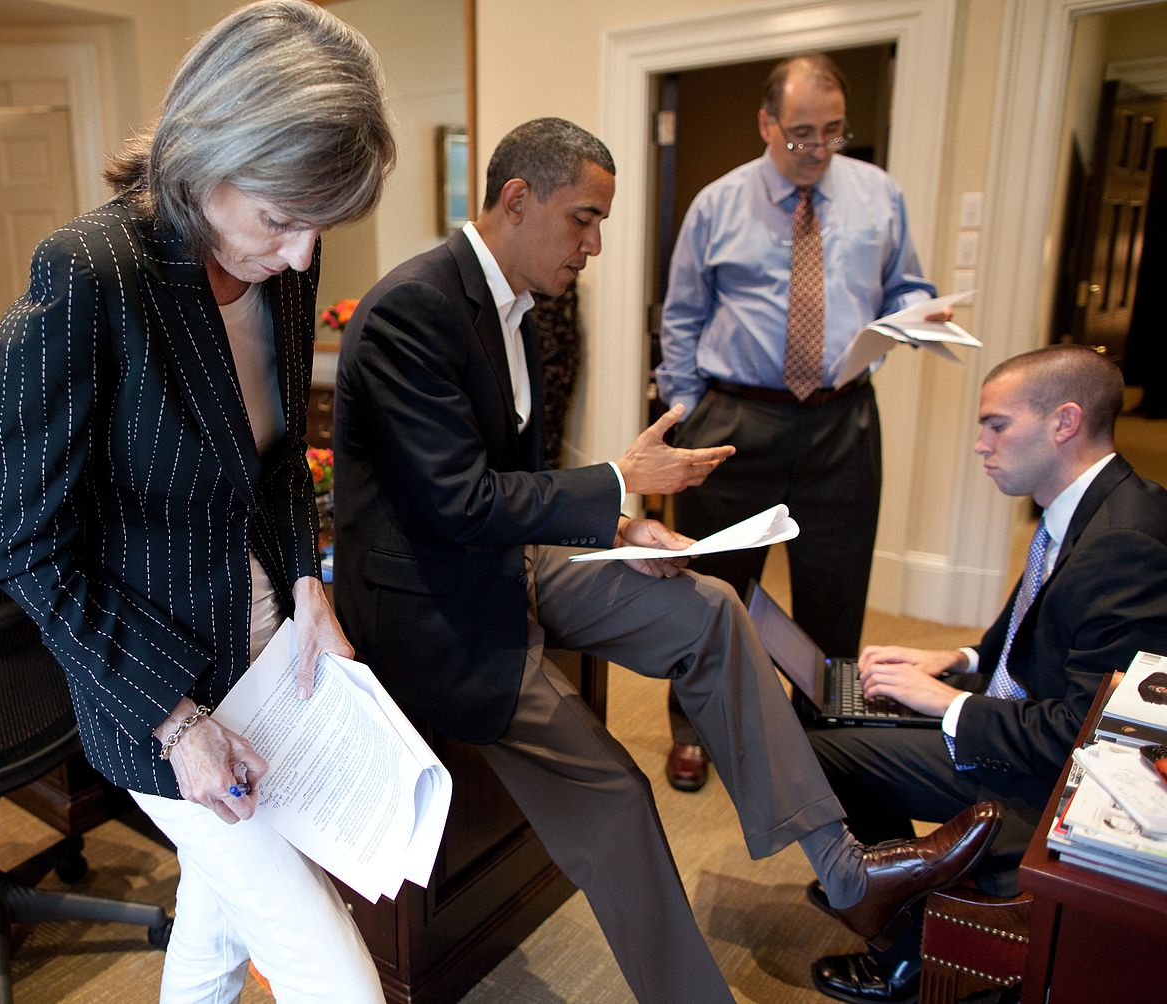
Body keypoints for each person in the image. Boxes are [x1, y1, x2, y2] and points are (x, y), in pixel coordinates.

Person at [333, 115, 1002, 1004]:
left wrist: (623, 528)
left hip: (509, 562)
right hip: (435, 610)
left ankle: (845, 869)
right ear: (515, 198)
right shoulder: (407, 312)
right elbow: (458, 503)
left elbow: (512, 484)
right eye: (583, 218)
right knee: (619, 794)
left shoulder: (520, 308)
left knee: (713, 607)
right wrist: (617, 483)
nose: (596, 245)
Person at [0, 3, 396, 1000]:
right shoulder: (90, 275)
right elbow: (28, 548)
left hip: (264, 650)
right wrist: (177, 721)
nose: (301, 255)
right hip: (149, 680)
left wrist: (307, 580)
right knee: (339, 979)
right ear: (212, 155)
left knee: (213, 932)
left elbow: (279, 457)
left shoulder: (280, 268)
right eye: (281, 219)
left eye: (318, 225)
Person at [807, 344, 1167, 1003]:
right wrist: (957, 661)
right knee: (830, 707)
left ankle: (903, 942)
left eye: (996, 424)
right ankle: (899, 883)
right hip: (1016, 718)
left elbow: (1085, 736)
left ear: (1064, 422)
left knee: (820, 748)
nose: (980, 444)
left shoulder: (1125, 542)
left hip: (1049, 775)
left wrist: (945, 703)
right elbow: (1037, 639)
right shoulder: (1084, 509)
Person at [655, 53, 948, 792]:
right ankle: (693, 728)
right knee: (711, 588)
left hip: (841, 421)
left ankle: (828, 741)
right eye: (801, 133)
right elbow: (682, 317)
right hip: (735, 419)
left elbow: (906, 281)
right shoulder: (716, 204)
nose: (817, 149)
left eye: (833, 132)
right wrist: (687, 420)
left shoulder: (880, 195)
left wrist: (922, 309)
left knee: (836, 595)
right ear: (767, 123)